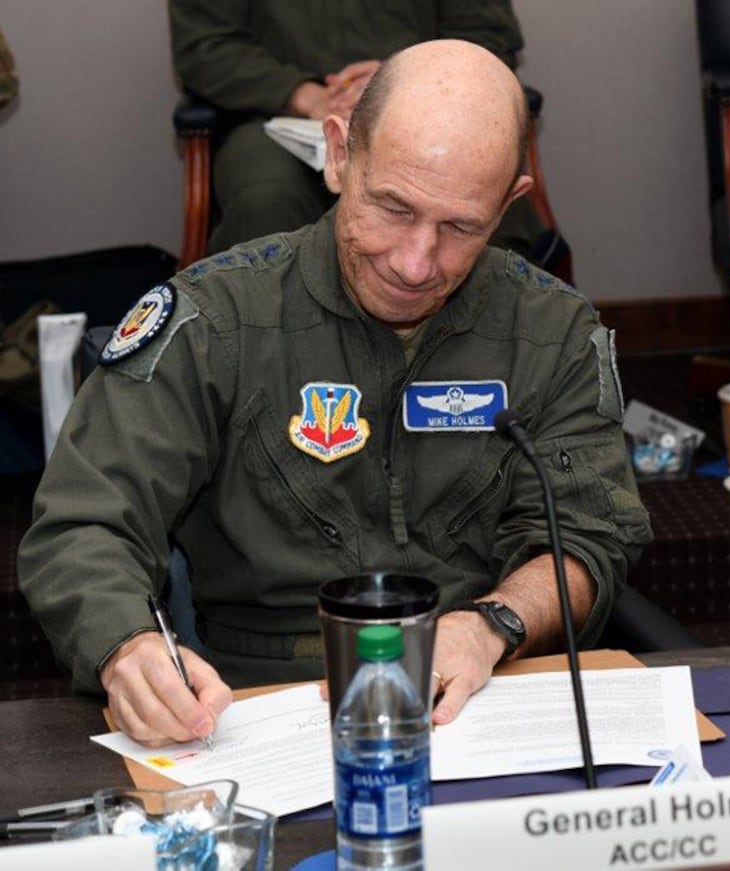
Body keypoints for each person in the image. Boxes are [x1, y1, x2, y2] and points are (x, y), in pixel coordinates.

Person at [18, 41, 650, 747]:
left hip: (479, 701)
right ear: (339, 153)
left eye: (460, 227)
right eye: (393, 207)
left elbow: (590, 536)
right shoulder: (215, 320)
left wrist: (492, 623)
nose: (414, 262)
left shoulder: (551, 331)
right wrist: (127, 647)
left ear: (509, 204)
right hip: (254, 709)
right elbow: (84, 522)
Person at [168, 0, 555, 265]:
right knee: (265, 198)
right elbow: (205, 47)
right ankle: (274, 369)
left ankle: (472, 371)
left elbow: (487, 34)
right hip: (278, 115)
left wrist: (401, 77)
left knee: (469, 191)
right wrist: (308, 97)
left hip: (431, 101)